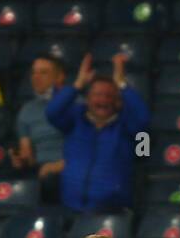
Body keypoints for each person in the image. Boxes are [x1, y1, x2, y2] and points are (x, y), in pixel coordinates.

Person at [46, 53, 150, 213]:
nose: (103, 100)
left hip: (111, 212)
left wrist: (121, 83)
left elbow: (143, 119)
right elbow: (52, 112)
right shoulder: (75, 119)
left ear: (117, 101)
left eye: (109, 96)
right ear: (87, 99)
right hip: (69, 209)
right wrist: (78, 84)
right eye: (97, 95)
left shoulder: (126, 124)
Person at [10, 55, 67, 203]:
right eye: (34, 73)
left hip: (66, 167)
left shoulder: (76, 105)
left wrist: (55, 166)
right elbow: (27, 153)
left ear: (59, 77)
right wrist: (21, 160)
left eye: (43, 73)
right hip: (38, 169)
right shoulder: (27, 110)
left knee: (50, 182)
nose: (36, 77)